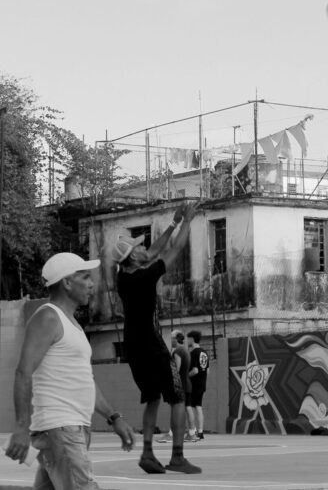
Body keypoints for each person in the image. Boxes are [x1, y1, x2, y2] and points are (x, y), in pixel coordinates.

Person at [5, 252, 136, 489]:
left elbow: (84, 381)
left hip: (67, 430)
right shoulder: (48, 317)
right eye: (85, 277)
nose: (91, 284)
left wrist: (113, 417)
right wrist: (21, 428)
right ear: (66, 282)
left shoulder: (72, 324)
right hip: (61, 428)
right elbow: (23, 372)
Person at [116, 201, 201, 474]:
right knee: (177, 397)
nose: (144, 247)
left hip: (133, 347)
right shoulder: (145, 276)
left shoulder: (124, 277)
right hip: (151, 344)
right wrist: (187, 221)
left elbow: (153, 251)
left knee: (152, 397)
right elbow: (173, 250)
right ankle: (177, 456)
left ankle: (148, 453)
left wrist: (173, 224)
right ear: (132, 257)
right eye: (138, 247)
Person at [157, 331, 193, 444]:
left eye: (171, 338)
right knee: (187, 408)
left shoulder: (177, 351)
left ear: (176, 339)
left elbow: (175, 370)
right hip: (187, 384)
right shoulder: (186, 350)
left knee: (175, 409)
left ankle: (171, 434)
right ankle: (192, 434)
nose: (170, 340)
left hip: (179, 386)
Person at [186, 330, 209, 441]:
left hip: (194, 384)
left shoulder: (194, 353)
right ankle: (200, 432)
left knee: (189, 406)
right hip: (202, 383)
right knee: (198, 407)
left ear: (192, 339)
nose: (187, 340)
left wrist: (185, 376)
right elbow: (207, 370)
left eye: (188, 338)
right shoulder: (204, 352)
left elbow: (195, 371)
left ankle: (192, 431)